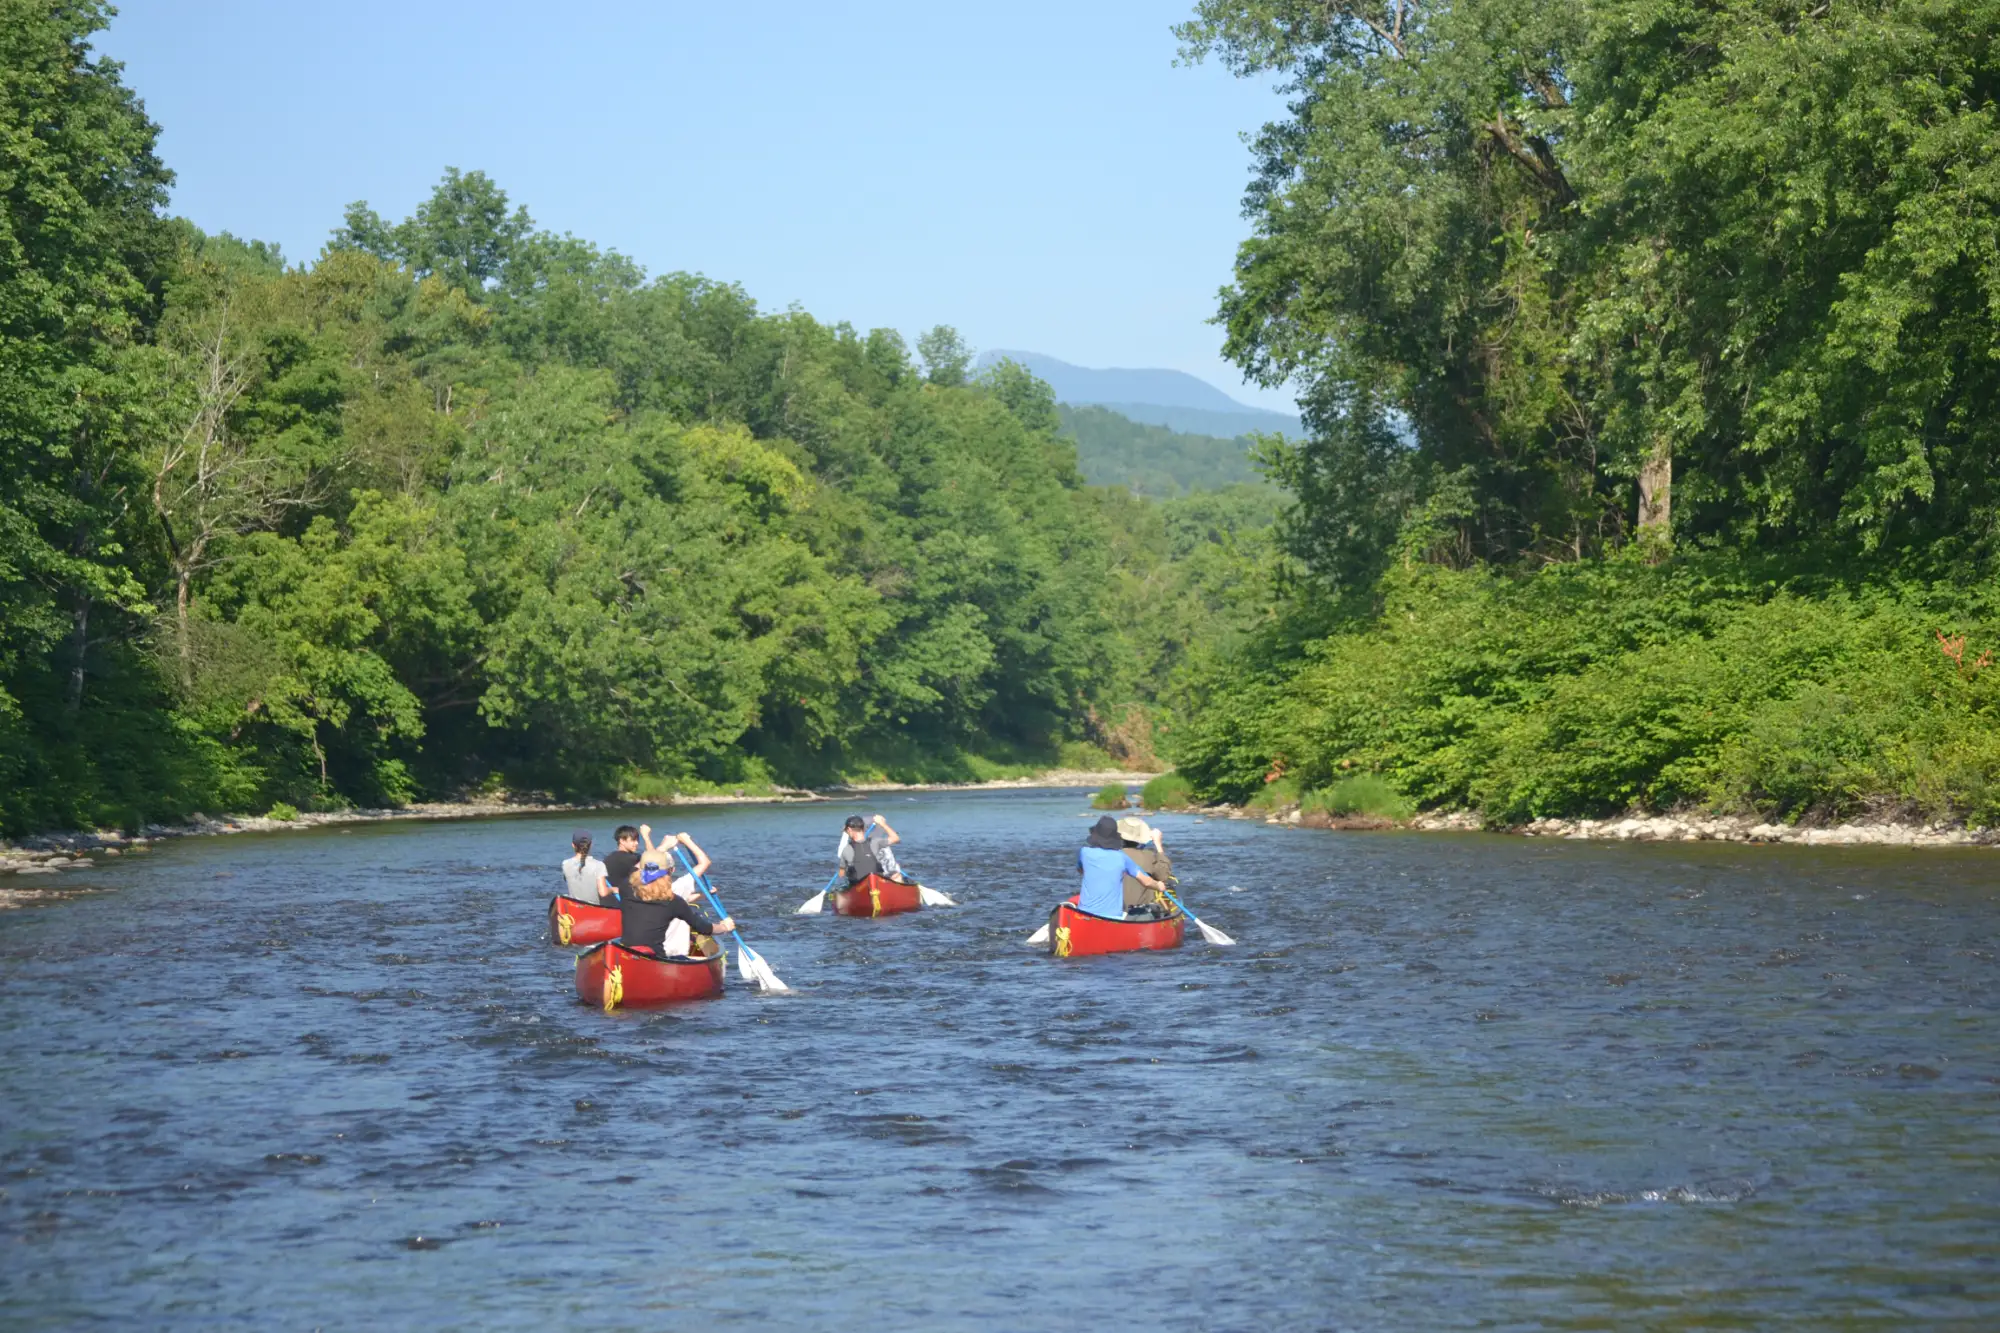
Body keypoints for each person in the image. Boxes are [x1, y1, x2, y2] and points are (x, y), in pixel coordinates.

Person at [617, 831, 733, 957]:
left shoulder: (626, 888)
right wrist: (724, 927)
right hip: (658, 957)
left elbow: (637, 868)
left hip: (627, 954)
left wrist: (663, 847)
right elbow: (704, 928)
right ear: (668, 873)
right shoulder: (673, 901)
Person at [1077, 815, 1162, 918]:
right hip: (1112, 917)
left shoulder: (1084, 852)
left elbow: (1081, 870)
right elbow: (1146, 882)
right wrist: (1159, 886)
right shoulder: (1122, 857)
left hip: (1083, 913)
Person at [1117, 816, 1172, 914]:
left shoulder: (1109, 855)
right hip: (1140, 912)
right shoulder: (1149, 856)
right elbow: (1163, 876)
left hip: (1115, 910)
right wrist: (1158, 845)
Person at [835, 813, 907, 886]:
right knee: (897, 876)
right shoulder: (875, 842)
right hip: (877, 883)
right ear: (863, 829)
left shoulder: (846, 850)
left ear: (849, 830)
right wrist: (883, 824)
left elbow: (841, 874)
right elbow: (896, 838)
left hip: (859, 887)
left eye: (846, 831)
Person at [596, 825, 643, 905]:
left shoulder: (608, 858)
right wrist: (646, 837)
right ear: (622, 841)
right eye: (633, 840)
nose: (637, 843)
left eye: (637, 840)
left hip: (607, 902)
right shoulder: (631, 859)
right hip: (621, 904)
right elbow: (652, 859)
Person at [560, 830, 609, 904]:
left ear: (573, 845)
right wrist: (613, 889)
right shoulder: (599, 865)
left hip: (573, 908)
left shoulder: (565, 864)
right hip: (593, 910)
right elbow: (603, 893)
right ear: (591, 844)